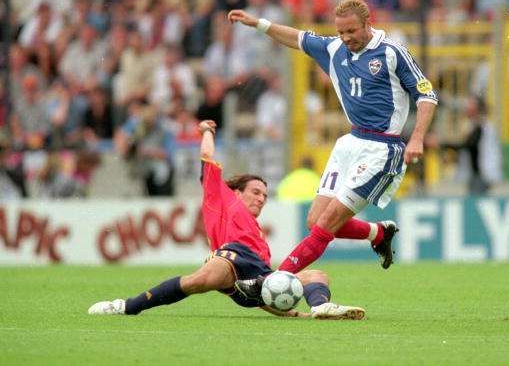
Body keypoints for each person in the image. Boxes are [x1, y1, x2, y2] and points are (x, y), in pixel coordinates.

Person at [228, 0, 437, 296]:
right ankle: (379, 232)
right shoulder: (334, 48)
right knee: (315, 220)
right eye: (341, 32)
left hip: (382, 149)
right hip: (350, 143)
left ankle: (269, 282)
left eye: (351, 31)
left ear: (367, 23)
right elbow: (295, 37)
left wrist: (415, 138)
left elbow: (427, 95)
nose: (346, 38)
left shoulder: (392, 53)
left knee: (325, 223)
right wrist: (258, 24)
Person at [89, 120, 365, 320]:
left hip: (256, 276)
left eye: (265, 196)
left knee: (318, 275)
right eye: (255, 192)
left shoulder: (259, 237)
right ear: (236, 191)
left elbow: (268, 293)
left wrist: (294, 314)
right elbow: (207, 156)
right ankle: (126, 306)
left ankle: (319, 309)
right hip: (230, 260)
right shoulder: (220, 196)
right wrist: (207, 131)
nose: (261, 198)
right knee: (198, 281)